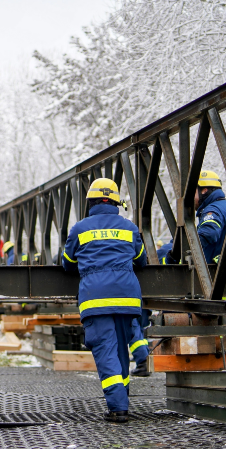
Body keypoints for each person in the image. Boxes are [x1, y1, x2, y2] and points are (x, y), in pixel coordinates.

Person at [62, 179, 146, 422]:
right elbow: (141, 260)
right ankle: (123, 399)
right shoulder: (129, 228)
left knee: (106, 352)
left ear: (90, 202)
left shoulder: (80, 229)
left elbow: (68, 263)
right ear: (116, 203)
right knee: (121, 352)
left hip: (96, 300)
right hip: (127, 298)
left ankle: (118, 407)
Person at [166, 170, 226, 351]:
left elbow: (209, 233)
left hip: (214, 278)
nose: (190, 199)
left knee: (220, 321)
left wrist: (188, 252)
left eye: (192, 192)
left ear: (204, 190)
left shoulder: (213, 210)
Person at [129, 310, 152, 377]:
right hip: (145, 304)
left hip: (131, 303)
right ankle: (146, 360)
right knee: (140, 330)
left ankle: (142, 361)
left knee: (133, 329)